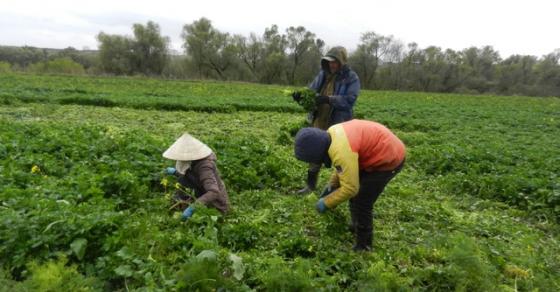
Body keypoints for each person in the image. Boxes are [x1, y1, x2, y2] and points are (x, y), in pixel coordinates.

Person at [294, 119, 405, 251]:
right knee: (356, 194)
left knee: (362, 201)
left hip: (388, 158)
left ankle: (364, 246)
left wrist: (326, 202)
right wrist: (332, 185)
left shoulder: (342, 151)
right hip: (375, 149)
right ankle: (355, 225)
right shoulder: (332, 134)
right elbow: (343, 167)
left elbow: (351, 188)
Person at [292, 46, 360, 194]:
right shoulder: (323, 74)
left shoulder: (351, 77)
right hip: (319, 119)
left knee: (338, 155)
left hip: (338, 123)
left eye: (334, 62)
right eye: (329, 62)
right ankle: (310, 186)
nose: (331, 65)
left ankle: (339, 188)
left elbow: (350, 100)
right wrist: (301, 97)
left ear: (341, 62)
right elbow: (311, 93)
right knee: (315, 152)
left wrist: (328, 99)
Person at [163, 133, 229, 220]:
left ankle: (190, 210)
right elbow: (194, 176)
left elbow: (213, 192)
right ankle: (185, 205)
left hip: (215, 205)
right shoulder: (192, 162)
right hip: (200, 191)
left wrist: (194, 206)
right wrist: (176, 172)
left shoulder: (205, 167)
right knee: (183, 179)